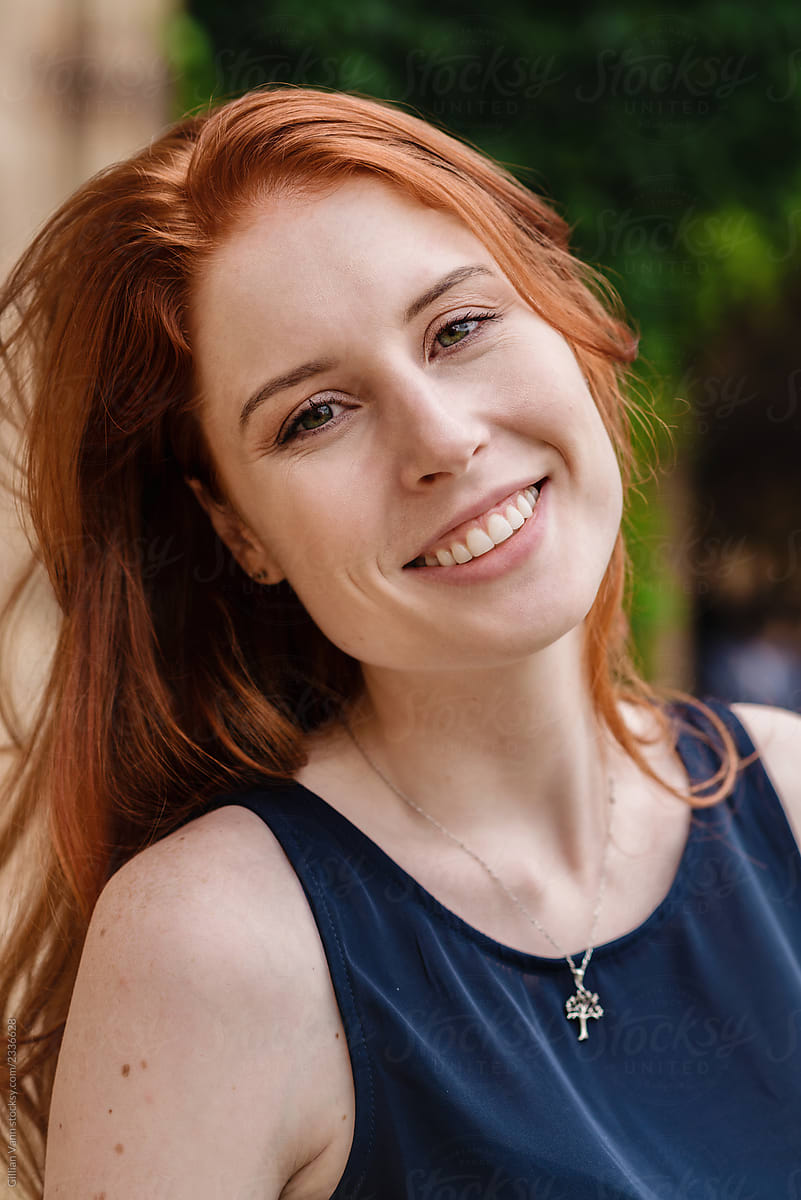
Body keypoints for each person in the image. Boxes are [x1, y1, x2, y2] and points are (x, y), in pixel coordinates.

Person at [1, 85, 799, 1200]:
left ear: (562, 318)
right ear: (236, 529)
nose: (442, 440)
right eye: (314, 414)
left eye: (460, 328)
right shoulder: (214, 947)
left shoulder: (792, 789)